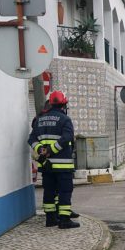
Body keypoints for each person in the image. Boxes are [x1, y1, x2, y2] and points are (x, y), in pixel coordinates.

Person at [28, 90, 79, 229]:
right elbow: (67, 138)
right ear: (63, 105)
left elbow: (31, 139)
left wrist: (41, 150)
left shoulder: (40, 119)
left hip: (46, 165)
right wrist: (52, 150)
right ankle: (64, 220)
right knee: (64, 191)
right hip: (63, 165)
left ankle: (50, 219)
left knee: (49, 191)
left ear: (50, 104)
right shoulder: (65, 119)